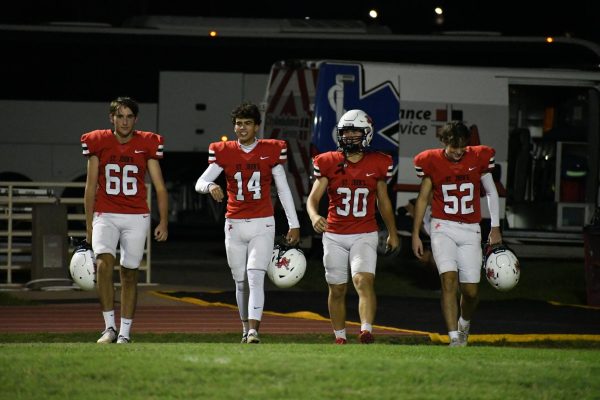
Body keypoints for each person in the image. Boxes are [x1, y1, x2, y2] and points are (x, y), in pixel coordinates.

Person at [195, 102, 300, 344]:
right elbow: (200, 182)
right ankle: (245, 328)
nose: (242, 128)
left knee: (255, 276)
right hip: (234, 223)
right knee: (240, 279)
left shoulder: (270, 150)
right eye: (239, 123)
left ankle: (253, 330)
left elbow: (283, 190)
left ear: (256, 127)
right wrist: (211, 186)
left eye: (247, 123)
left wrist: (293, 223)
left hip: (263, 222)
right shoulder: (225, 151)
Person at [307, 109, 399, 344]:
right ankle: (339, 336)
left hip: (364, 232)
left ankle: (366, 330)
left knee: (363, 280)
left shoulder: (379, 162)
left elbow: (383, 201)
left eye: (354, 132)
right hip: (334, 234)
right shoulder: (328, 161)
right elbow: (313, 198)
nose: (348, 137)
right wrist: (314, 215)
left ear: (366, 134)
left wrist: (392, 232)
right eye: (345, 132)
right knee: (337, 289)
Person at [81, 96, 169, 344]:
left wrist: (163, 221)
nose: (125, 121)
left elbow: (159, 187)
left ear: (136, 119)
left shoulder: (147, 143)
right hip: (105, 213)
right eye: (120, 116)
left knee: (130, 274)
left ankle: (125, 333)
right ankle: (109, 327)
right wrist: (89, 225)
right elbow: (90, 188)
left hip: (136, 215)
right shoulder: (98, 141)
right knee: (103, 265)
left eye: (129, 116)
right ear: (112, 118)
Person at [411, 121, 502, 347]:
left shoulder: (478, 157)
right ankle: (454, 339)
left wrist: (495, 227)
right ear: (444, 142)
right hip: (443, 227)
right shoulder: (431, 161)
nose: (459, 152)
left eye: (462, 146)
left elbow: (491, 191)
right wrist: (415, 234)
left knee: (470, 291)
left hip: (471, 229)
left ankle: (464, 324)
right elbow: (423, 199)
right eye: (454, 147)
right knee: (448, 281)